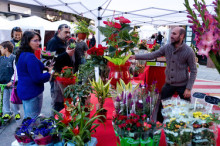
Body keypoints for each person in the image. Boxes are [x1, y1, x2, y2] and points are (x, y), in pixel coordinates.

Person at [130, 27, 197, 122]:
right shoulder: (167, 47)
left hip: (183, 85)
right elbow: (152, 55)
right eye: (171, 33)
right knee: (161, 108)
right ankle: (158, 125)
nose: (171, 36)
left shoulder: (189, 51)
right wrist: (136, 56)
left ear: (181, 36)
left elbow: (194, 71)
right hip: (169, 84)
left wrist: (188, 88)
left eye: (174, 34)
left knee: (187, 110)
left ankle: (187, 129)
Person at [16, 31, 53, 119]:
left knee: (28, 117)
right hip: (32, 92)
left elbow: (29, 68)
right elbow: (37, 78)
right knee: (31, 121)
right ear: (27, 41)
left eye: (39, 40)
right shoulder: (30, 56)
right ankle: (27, 133)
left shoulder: (22, 54)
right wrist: (50, 73)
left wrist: (45, 68)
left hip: (25, 90)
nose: (38, 43)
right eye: (35, 41)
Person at [46, 24, 75, 113]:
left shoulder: (64, 41)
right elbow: (49, 60)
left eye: (69, 32)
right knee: (58, 102)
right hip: (56, 77)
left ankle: (64, 120)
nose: (68, 34)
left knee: (64, 101)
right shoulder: (53, 42)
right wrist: (66, 54)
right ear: (59, 31)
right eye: (65, 32)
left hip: (65, 77)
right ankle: (56, 122)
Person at [0, 41, 20, 120]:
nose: (0, 50)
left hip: (11, 83)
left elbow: (16, 71)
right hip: (3, 83)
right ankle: (7, 112)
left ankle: (17, 113)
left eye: (1, 48)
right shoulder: (1, 58)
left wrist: (12, 81)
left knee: (14, 98)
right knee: (4, 98)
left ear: (6, 49)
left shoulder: (13, 58)